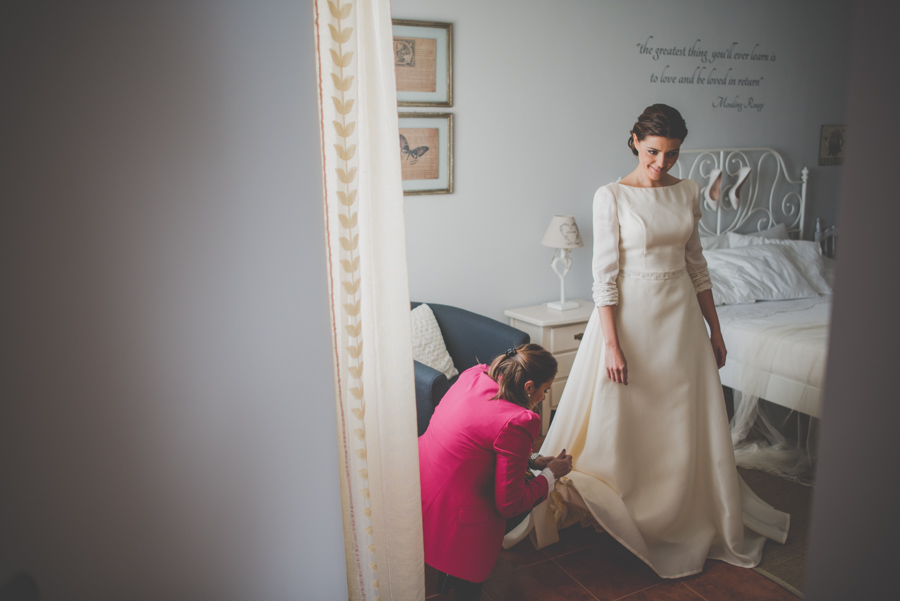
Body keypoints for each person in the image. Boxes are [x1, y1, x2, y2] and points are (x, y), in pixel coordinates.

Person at [523, 104, 790, 578]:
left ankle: (682, 507)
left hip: (682, 320)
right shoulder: (611, 196)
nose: (661, 164)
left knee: (680, 416)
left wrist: (715, 328)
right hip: (631, 322)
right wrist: (611, 344)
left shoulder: (688, 192)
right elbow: (603, 279)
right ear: (633, 141)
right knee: (627, 416)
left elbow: (697, 264)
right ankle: (619, 508)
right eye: (652, 152)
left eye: (671, 154)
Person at [419, 344, 573, 598]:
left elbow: (478, 442)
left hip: (425, 484)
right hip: (457, 513)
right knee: (519, 504)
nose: (544, 397)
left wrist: (532, 460)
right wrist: (550, 475)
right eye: (545, 390)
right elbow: (510, 504)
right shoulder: (519, 420)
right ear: (529, 387)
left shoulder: (475, 375)